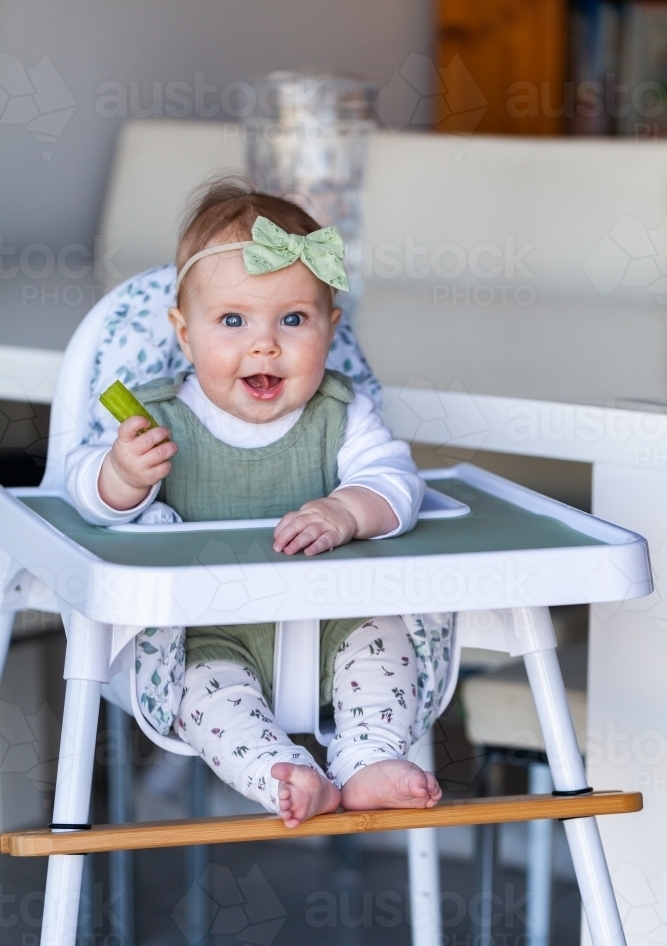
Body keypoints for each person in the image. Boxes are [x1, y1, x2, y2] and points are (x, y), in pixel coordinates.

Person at [65, 181, 443, 828]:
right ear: (184, 335)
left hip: (334, 621)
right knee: (206, 700)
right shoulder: (154, 418)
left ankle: (368, 757)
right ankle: (281, 774)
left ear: (331, 327)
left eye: (293, 320)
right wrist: (122, 475)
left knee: (385, 642)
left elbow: (396, 482)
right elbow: (85, 496)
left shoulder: (342, 412)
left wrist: (347, 510)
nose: (264, 344)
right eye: (232, 321)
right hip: (206, 635)